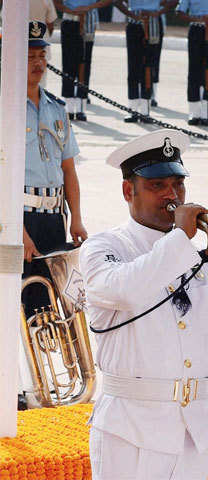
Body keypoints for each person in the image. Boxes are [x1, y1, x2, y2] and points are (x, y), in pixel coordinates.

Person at [79, 129, 208, 480]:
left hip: (191, 434)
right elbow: (128, 290)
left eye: (178, 184)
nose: (172, 195)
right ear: (127, 191)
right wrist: (180, 238)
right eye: (157, 186)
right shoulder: (105, 248)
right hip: (129, 431)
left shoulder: (204, 260)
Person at [20, 21, 88, 410]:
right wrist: (17, 230)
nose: (38, 63)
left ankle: (63, 383)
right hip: (20, 217)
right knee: (22, 303)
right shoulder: (4, 108)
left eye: (42, 55)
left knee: (60, 305)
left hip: (54, 218)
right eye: (29, 56)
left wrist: (76, 218)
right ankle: (22, 384)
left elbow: (69, 171)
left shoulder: (57, 109)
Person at [113, 0, 178, 123]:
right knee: (133, 66)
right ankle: (132, 109)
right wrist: (130, 14)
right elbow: (116, 1)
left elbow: (174, 1)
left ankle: (145, 110)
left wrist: (158, 12)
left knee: (149, 66)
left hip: (152, 22)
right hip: (134, 21)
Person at [54, 0, 112, 121]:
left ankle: (81, 108)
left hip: (88, 21)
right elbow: (56, 3)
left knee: (84, 65)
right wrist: (72, 10)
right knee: (68, 64)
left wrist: (89, 7)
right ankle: (69, 107)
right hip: (70, 19)